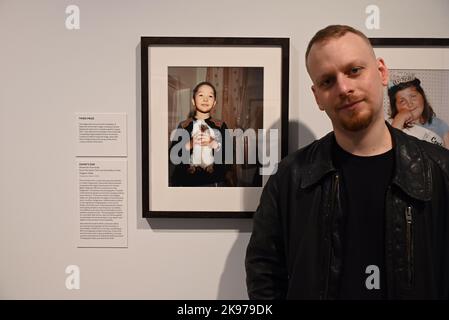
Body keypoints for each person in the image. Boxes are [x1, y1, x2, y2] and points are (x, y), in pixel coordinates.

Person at [245, 25, 449, 299]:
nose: (344, 88)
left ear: (381, 72)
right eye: (328, 81)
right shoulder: (290, 177)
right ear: (317, 96)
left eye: (354, 70)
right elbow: (264, 274)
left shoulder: (440, 169)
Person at [169, 81, 231, 187]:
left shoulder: (221, 126)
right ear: (193, 101)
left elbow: (230, 157)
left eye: (210, 96)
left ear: (214, 102)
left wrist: (214, 144)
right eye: (201, 95)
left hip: (214, 183)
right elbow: (172, 156)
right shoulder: (184, 126)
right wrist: (189, 144)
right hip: (187, 184)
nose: (205, 99)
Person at [388, 72, 449, 148]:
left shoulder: (440, 125)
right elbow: (391, 149)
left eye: (413, 96)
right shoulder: (392, 125)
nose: (409, 104)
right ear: (395, 107)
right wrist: (399, 119)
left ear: (423, 96)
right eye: (402, 101)